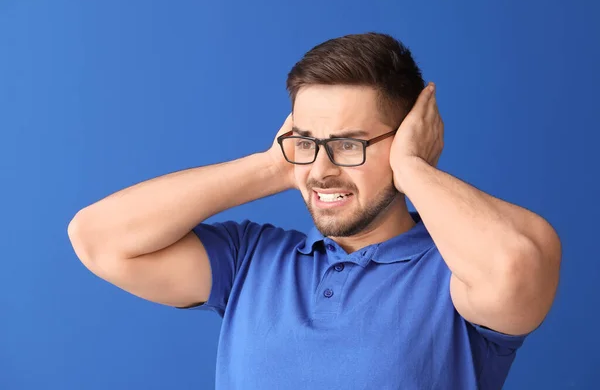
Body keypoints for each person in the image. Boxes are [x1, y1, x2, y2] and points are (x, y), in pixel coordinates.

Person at [67, 32, 561, 389]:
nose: (322, 169)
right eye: (306, 142)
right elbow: (98, 239)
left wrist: (411, 168)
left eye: (349, 144)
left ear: (409, 135)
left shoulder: (457, 273)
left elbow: (517, 268)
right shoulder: (250, 260)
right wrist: (272, 166)